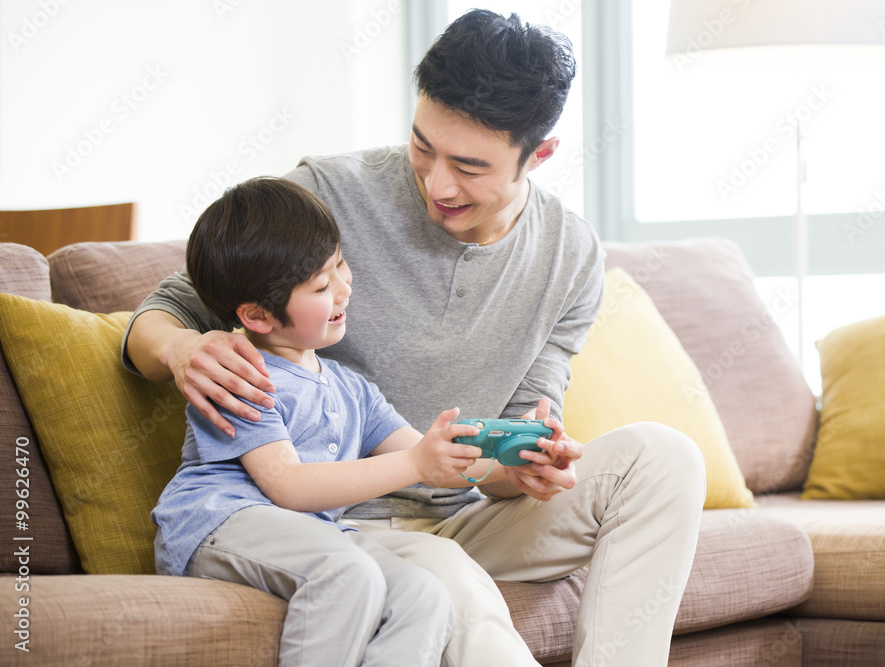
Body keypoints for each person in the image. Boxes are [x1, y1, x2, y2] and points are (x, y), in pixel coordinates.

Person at [126, 10, 706, 666]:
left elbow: (500, 465)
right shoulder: (326, 195)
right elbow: (168, 306)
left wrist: (527, 462)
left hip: (467, 507)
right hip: (344, 518)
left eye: (468, 165)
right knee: (446, 582)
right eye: (422, 145)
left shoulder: (570, 256)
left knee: (666, 457)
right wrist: (178, 348)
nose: (436, 184)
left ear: (538, 154)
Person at [151, 176, 504, 666]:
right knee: (348, 574)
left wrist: (510, 447)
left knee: (425, 594)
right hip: (222, 520)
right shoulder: (240, 373)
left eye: (339, 263)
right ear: (256, 315)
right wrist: (419, 463)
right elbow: (288, 486)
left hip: (317, 535)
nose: (344, 287)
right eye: (321, 285)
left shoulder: (351, 387)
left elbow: (421, 450)